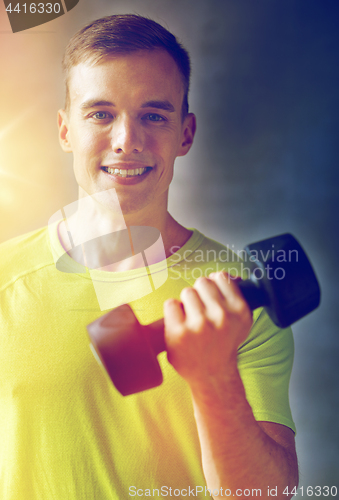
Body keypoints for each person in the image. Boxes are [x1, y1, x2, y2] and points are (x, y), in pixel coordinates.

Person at [0, 14, 298, 500]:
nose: (127, 140)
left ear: (185, 133)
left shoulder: (240, 295)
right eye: (100, 113)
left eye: (154, 115)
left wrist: (212, 374)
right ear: (65, 130)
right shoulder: (3, 277)